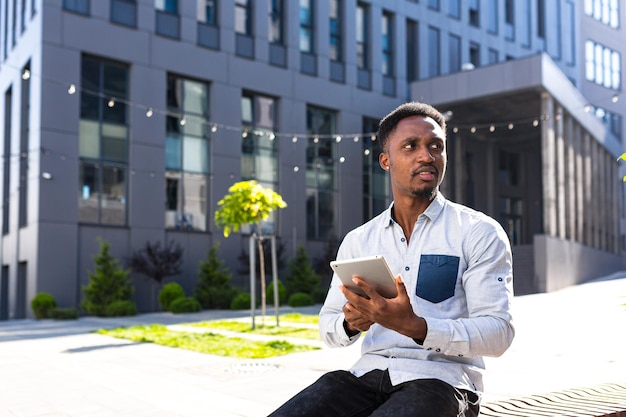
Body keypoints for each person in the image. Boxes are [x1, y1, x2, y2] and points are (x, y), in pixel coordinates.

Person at [268, 102, 515, 417]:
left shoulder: (478, 232)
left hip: (442, 382)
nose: (426, 155)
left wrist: (417, 327)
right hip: (365, 377)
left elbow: (498, 334)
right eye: (411, 146)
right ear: (386, 160)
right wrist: (351, 322)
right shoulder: (360, 240)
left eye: (436, 146)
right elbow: (328, 326)